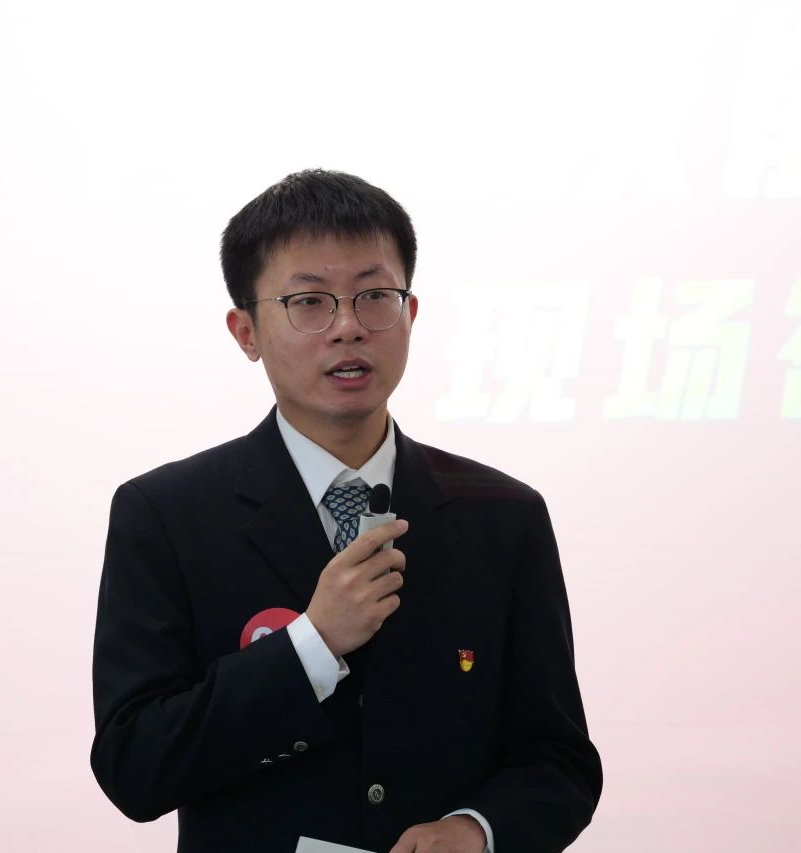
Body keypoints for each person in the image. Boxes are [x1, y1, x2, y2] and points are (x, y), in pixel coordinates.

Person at [89, 169, 602, 852]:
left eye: (374, 296)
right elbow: (135, 765)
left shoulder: (504, 516)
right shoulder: (165, 515)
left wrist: (477, 830)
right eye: (309, 302)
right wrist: (313, 644)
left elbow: (560, 761)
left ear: (410, 314)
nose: (349, 328)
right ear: (246, 331)